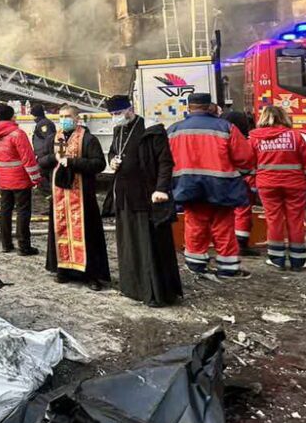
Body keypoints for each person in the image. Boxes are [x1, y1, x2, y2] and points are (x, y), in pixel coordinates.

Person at [168, 92, 255, 278]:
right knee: (223, 226)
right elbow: (245, 158)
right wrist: (241, 174)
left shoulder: (174, 130)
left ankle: (195, 265)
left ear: (188, 108)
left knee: (194, 225)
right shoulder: (226, 128)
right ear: (210, 107)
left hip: (188, 186)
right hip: (221, 186)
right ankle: (228, 268)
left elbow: (165, 160)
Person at [106, 95, 182, 307]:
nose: (115, 117)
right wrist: (112, 161)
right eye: (112, 114)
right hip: (125, 196)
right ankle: (133, 287)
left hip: (147, 195)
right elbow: (113, 151)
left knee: (149, 244)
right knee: (129, 243)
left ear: (129, 109)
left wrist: (161, 189)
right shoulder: (118, 130)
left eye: (118, 113)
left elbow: (165, 162)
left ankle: (155, 291)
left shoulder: (152, 130)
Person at [249, 105, 306, 272]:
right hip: (295, 185)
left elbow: (249, 164)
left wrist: (253, 183)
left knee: (274, 220)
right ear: (284, 117)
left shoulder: (254, 138)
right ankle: (298, 261)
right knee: (296, 221)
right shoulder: (295, 136)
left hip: (267, 185)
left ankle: (276, 258)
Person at [47, 105, 109, 289]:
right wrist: (54, 158)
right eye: (61, 116)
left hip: (82, 196)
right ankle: (63, 270)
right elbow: (41, 160)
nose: (63, 119)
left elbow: (99, 164)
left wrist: (73, 162)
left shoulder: (88, 139)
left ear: (76, 118)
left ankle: (91, 275)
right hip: (60, 196)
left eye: (67, 116)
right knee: (60, 231)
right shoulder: (54, 138)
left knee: (88, 235)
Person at [0, 103, 42, 255]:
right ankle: (24, 247)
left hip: (3, 180)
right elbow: (28, 159)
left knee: (5, 211)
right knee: (23, 212)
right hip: (20, 180)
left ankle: (6, 244)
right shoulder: (18, 134)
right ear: (12, 117)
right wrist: (36, 179)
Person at [224, 110, 259, 256]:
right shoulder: (245, 142)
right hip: (242, 181)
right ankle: (241, 243)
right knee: (242, 211)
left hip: (223, 181)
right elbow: (248, 163)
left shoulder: (221, 138)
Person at [31, 104, 57, 194]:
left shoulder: (43, 124)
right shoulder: (43, 123)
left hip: (45, 157)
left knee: (41, 177)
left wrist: (45, 154)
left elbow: (49, 139)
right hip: (44, 157)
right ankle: (50, 195)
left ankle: (50, 195)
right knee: (43, 178)